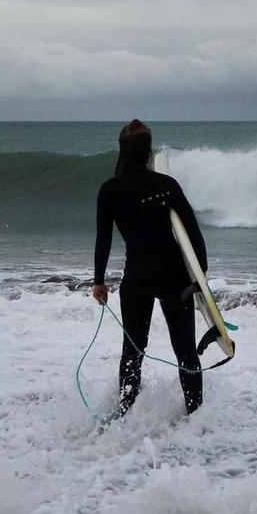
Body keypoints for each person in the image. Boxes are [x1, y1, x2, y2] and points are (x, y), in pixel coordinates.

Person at [92, 119, 209, 415]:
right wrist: (201, 276)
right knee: (186, 352)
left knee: (133, 351)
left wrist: (99, 281)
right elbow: (193, 233)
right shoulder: (166, 185)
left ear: (122, 149)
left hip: (137, 279)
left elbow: (103, 240)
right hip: (174, 278)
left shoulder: (109, 190)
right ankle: (196, 416)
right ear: (148, 150)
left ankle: (126, 411)